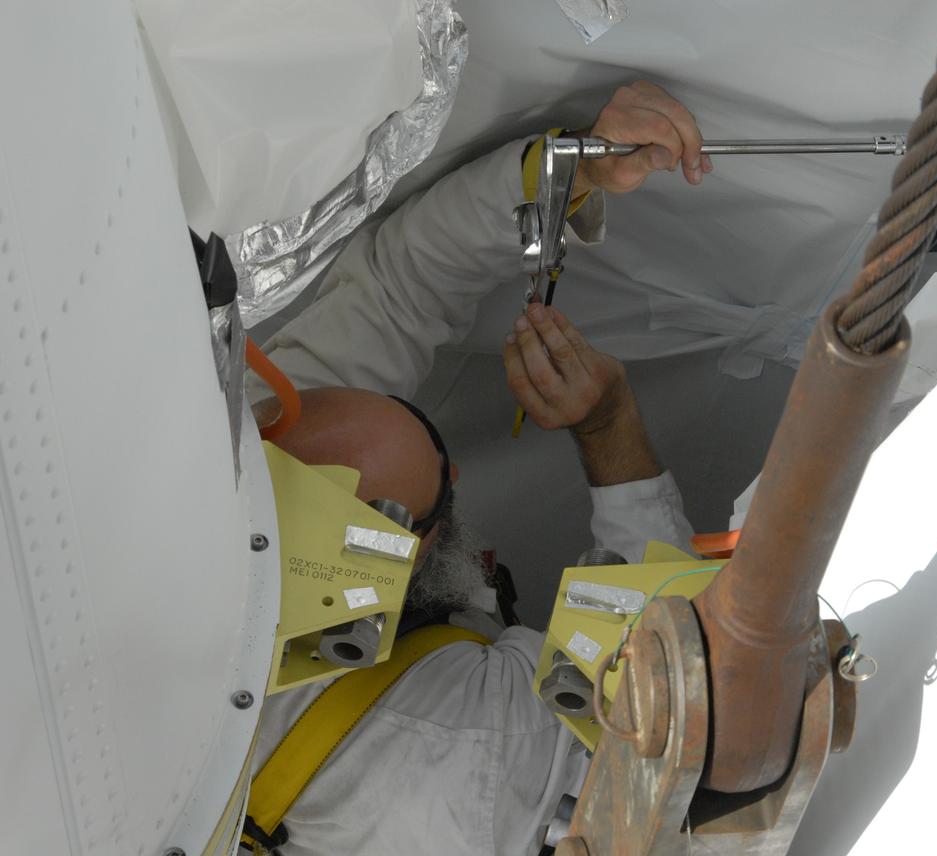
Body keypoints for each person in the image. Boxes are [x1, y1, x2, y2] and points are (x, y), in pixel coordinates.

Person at [246, 82, 711, 855]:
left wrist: (569, 175)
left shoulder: (263, 447)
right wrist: (608, 424)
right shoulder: (462, 738)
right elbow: (659, 691)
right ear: (423, 548)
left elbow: (398, 290)